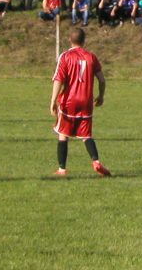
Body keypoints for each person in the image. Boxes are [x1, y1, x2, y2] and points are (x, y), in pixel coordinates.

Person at [51, 27, 111, 177]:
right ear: (84, 41)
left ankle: (62, 169)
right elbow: (102, 79)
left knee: (63, 133)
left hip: (69, 101)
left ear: (69, 40)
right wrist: (101, 96)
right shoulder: (91, 57)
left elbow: (58, 79)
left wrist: (52, 101)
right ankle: (96, 161)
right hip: (86, 101)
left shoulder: (65, 57)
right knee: (86, 135)